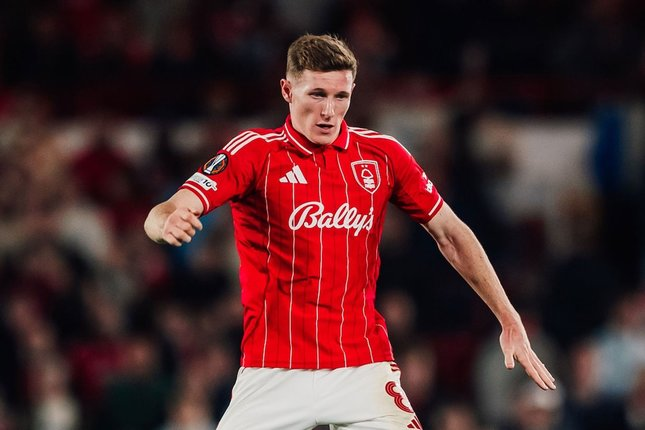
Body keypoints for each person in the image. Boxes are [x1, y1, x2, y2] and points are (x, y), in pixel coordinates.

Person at [144, 34, 556, 430]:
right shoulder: (255, 152)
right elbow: (170, 208)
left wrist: (507, 315)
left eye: (341, 96)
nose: (329, 111)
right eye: (317, 94)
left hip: (361, 369)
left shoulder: (382, 155)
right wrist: (166, 223)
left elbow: (451, 232)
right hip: (273, 372)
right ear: (287, 90)